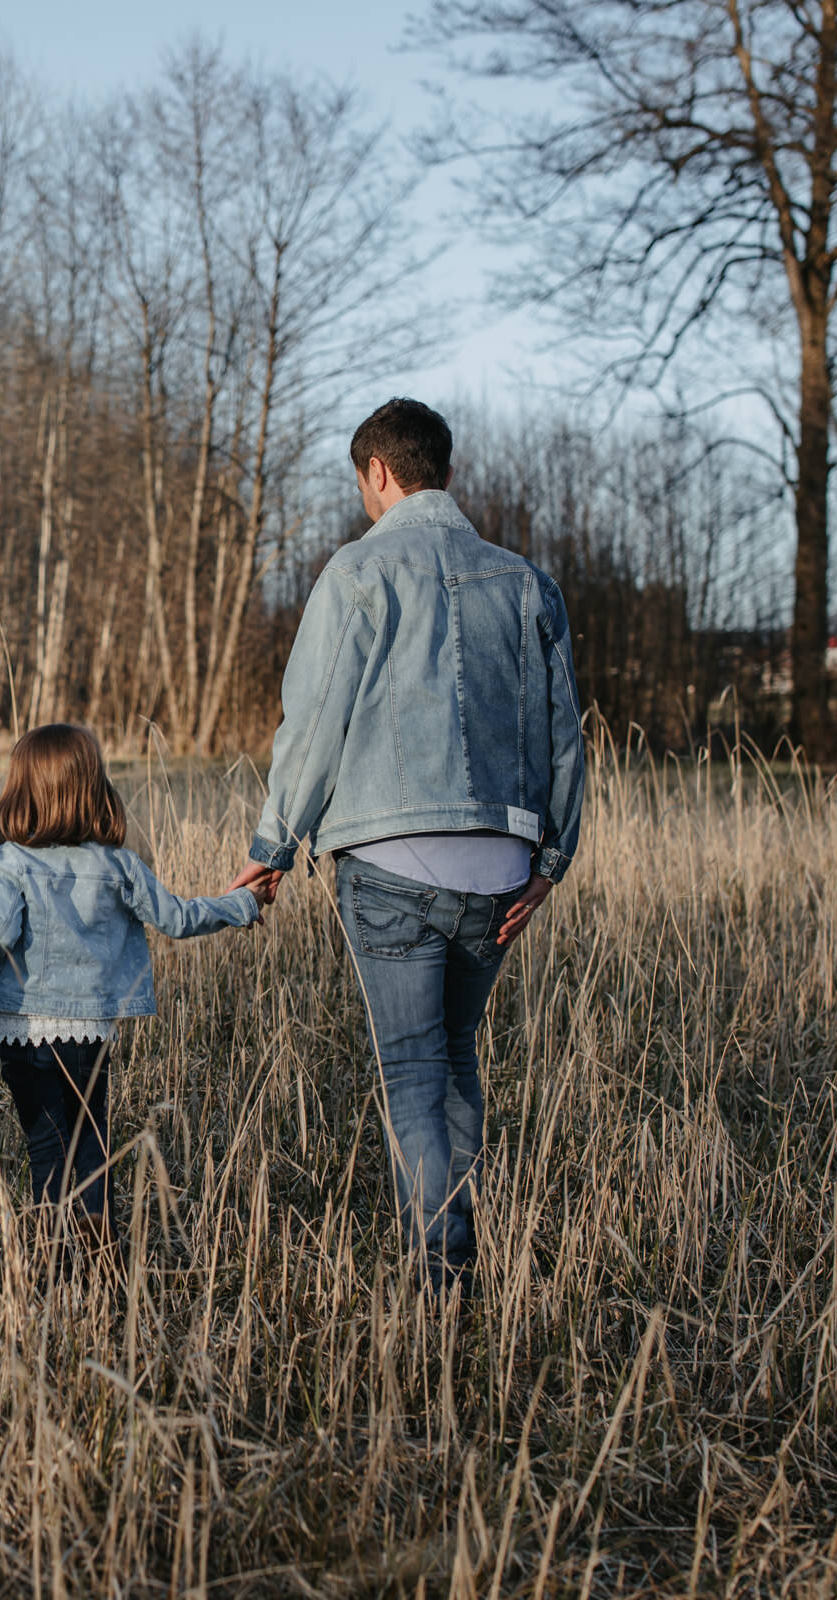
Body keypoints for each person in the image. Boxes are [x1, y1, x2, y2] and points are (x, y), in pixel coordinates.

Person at [230, 399, 584, 1296]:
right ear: (443, 469)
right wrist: (553, 859)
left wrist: (275, 843)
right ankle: (459, 1259)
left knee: (416, 1069)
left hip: (390, 862)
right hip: (501, 866)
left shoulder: (359, 571)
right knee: (458, 1056)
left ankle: (439, 1274)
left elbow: (314, 721)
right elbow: (561, 733)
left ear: (378, 473)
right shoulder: (525, 582)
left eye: (362, 484)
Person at [0, 724, 268, 1260]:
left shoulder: (10, 860)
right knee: (91, 1139)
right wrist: (242, 903)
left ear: (21, 789)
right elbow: (178, 918)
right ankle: (98, 1257)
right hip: (89, 1030)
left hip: (22, 1030)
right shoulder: (117, 864)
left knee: (47, 1146)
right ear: (93, 788)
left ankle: (54, 1264)